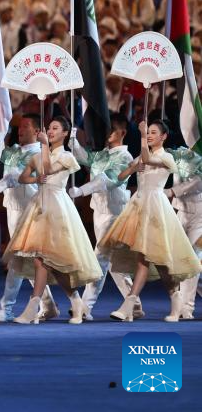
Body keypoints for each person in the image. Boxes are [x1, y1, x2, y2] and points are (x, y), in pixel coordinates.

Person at [100, 120, 202, 322]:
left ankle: (168, 303)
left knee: (159, 263)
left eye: (153, 132)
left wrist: (140, 135)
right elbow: (122, 176)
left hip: (156, 209)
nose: (149, 135)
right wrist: (131, 169)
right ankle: (133, 304)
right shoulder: (143, 155)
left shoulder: (167, 157)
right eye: (148, 133)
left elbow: (147, 158)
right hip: (139, 207)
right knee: (145, 260)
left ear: (164, 137)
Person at [5, 116, 102, 324]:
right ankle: (71, 303)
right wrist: (34, 179)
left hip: (57, 206)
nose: (50, 131)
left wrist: (43, 147)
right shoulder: (40, 155)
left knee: (55, 263)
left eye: (55, 128)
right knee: (41, 258)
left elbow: (48, 170)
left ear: (65, 133)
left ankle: (46, 306)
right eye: (49, 128)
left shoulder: (66, 156)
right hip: (39, 205)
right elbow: (23, 177)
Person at [0, 113, 56, 322]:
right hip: (13, 210)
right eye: (19, 126)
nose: (20, 130)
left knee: (17, 260)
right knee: (28, 261)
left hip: (31, 211)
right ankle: (49, 304)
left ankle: (7, 308)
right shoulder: (13, 152)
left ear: (37, 131)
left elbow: (13, 178)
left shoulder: (40, 154)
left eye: (26, 126)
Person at [67, 115, 135, 320]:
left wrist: (81, 191)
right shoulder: (102, 154)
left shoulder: (126, 158)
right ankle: (135, 303)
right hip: (99, 210)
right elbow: (83, 158)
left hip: (116, 212)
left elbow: (108, 180)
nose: (108, 134)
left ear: (122, 133)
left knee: (100, 257)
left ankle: (85, 307)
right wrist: (72, 140)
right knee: (114, 263)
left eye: (112, 130)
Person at [170, 147, 202, 319]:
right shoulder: (181, 153)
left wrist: (172, 191)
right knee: (184, 260)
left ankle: (186, 307)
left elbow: (198, 181)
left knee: (191, 259)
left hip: (200, 215)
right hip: (181, 212)